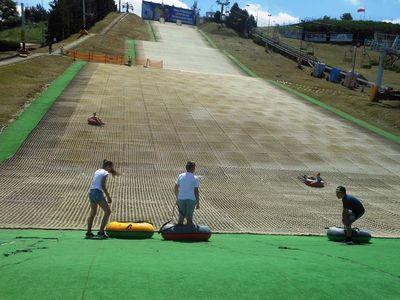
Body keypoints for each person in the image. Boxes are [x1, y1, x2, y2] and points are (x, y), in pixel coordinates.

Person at [86, 160, 118, 239]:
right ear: (108, 167)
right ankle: (101, 232)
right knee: (108, 211)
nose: (111, 169)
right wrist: (108, 197)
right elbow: (103, 185)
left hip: (91, 192)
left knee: (93, 213)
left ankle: (88, 232)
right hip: (97, 192)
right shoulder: (105, 173)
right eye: (111, 168)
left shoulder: (97, 171)